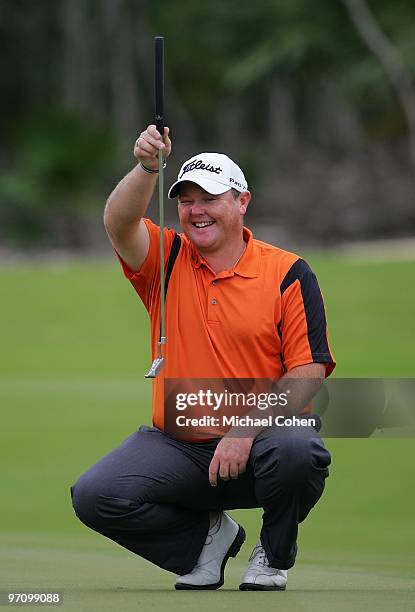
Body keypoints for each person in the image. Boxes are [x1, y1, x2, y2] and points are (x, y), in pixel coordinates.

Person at [71, 124, 336, 591]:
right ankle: (207, 543)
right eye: (187, 200)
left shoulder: (288, 272)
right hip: (181, 447)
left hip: (265, 443)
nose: (196, 211)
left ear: (241, 202)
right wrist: (147, 167)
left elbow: (309, 371)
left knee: (298, 449)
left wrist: (244, 428)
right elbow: (118, 222)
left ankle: (272, 555)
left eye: (210, 198)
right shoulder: (167, 260)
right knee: (97, 495)